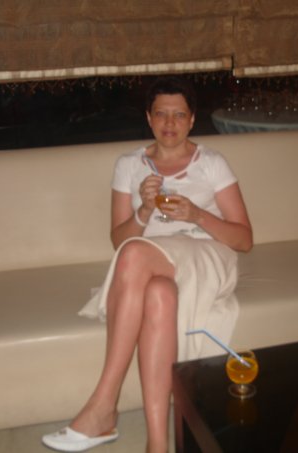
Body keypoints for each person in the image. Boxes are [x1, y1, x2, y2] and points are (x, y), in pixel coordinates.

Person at [42, 77, 253, 453]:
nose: (169, 123)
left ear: (192, 120)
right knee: (157, 292)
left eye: (179, 115)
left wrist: (197, 215)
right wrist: (143, 210)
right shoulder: (128, 165)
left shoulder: (212, 163)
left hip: (208, 258)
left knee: (135, 254)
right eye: (161, 114)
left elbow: (244, 239)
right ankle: (158, 444)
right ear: (148, 118)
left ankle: (103, 406)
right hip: (151, 266)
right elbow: (118, 239)